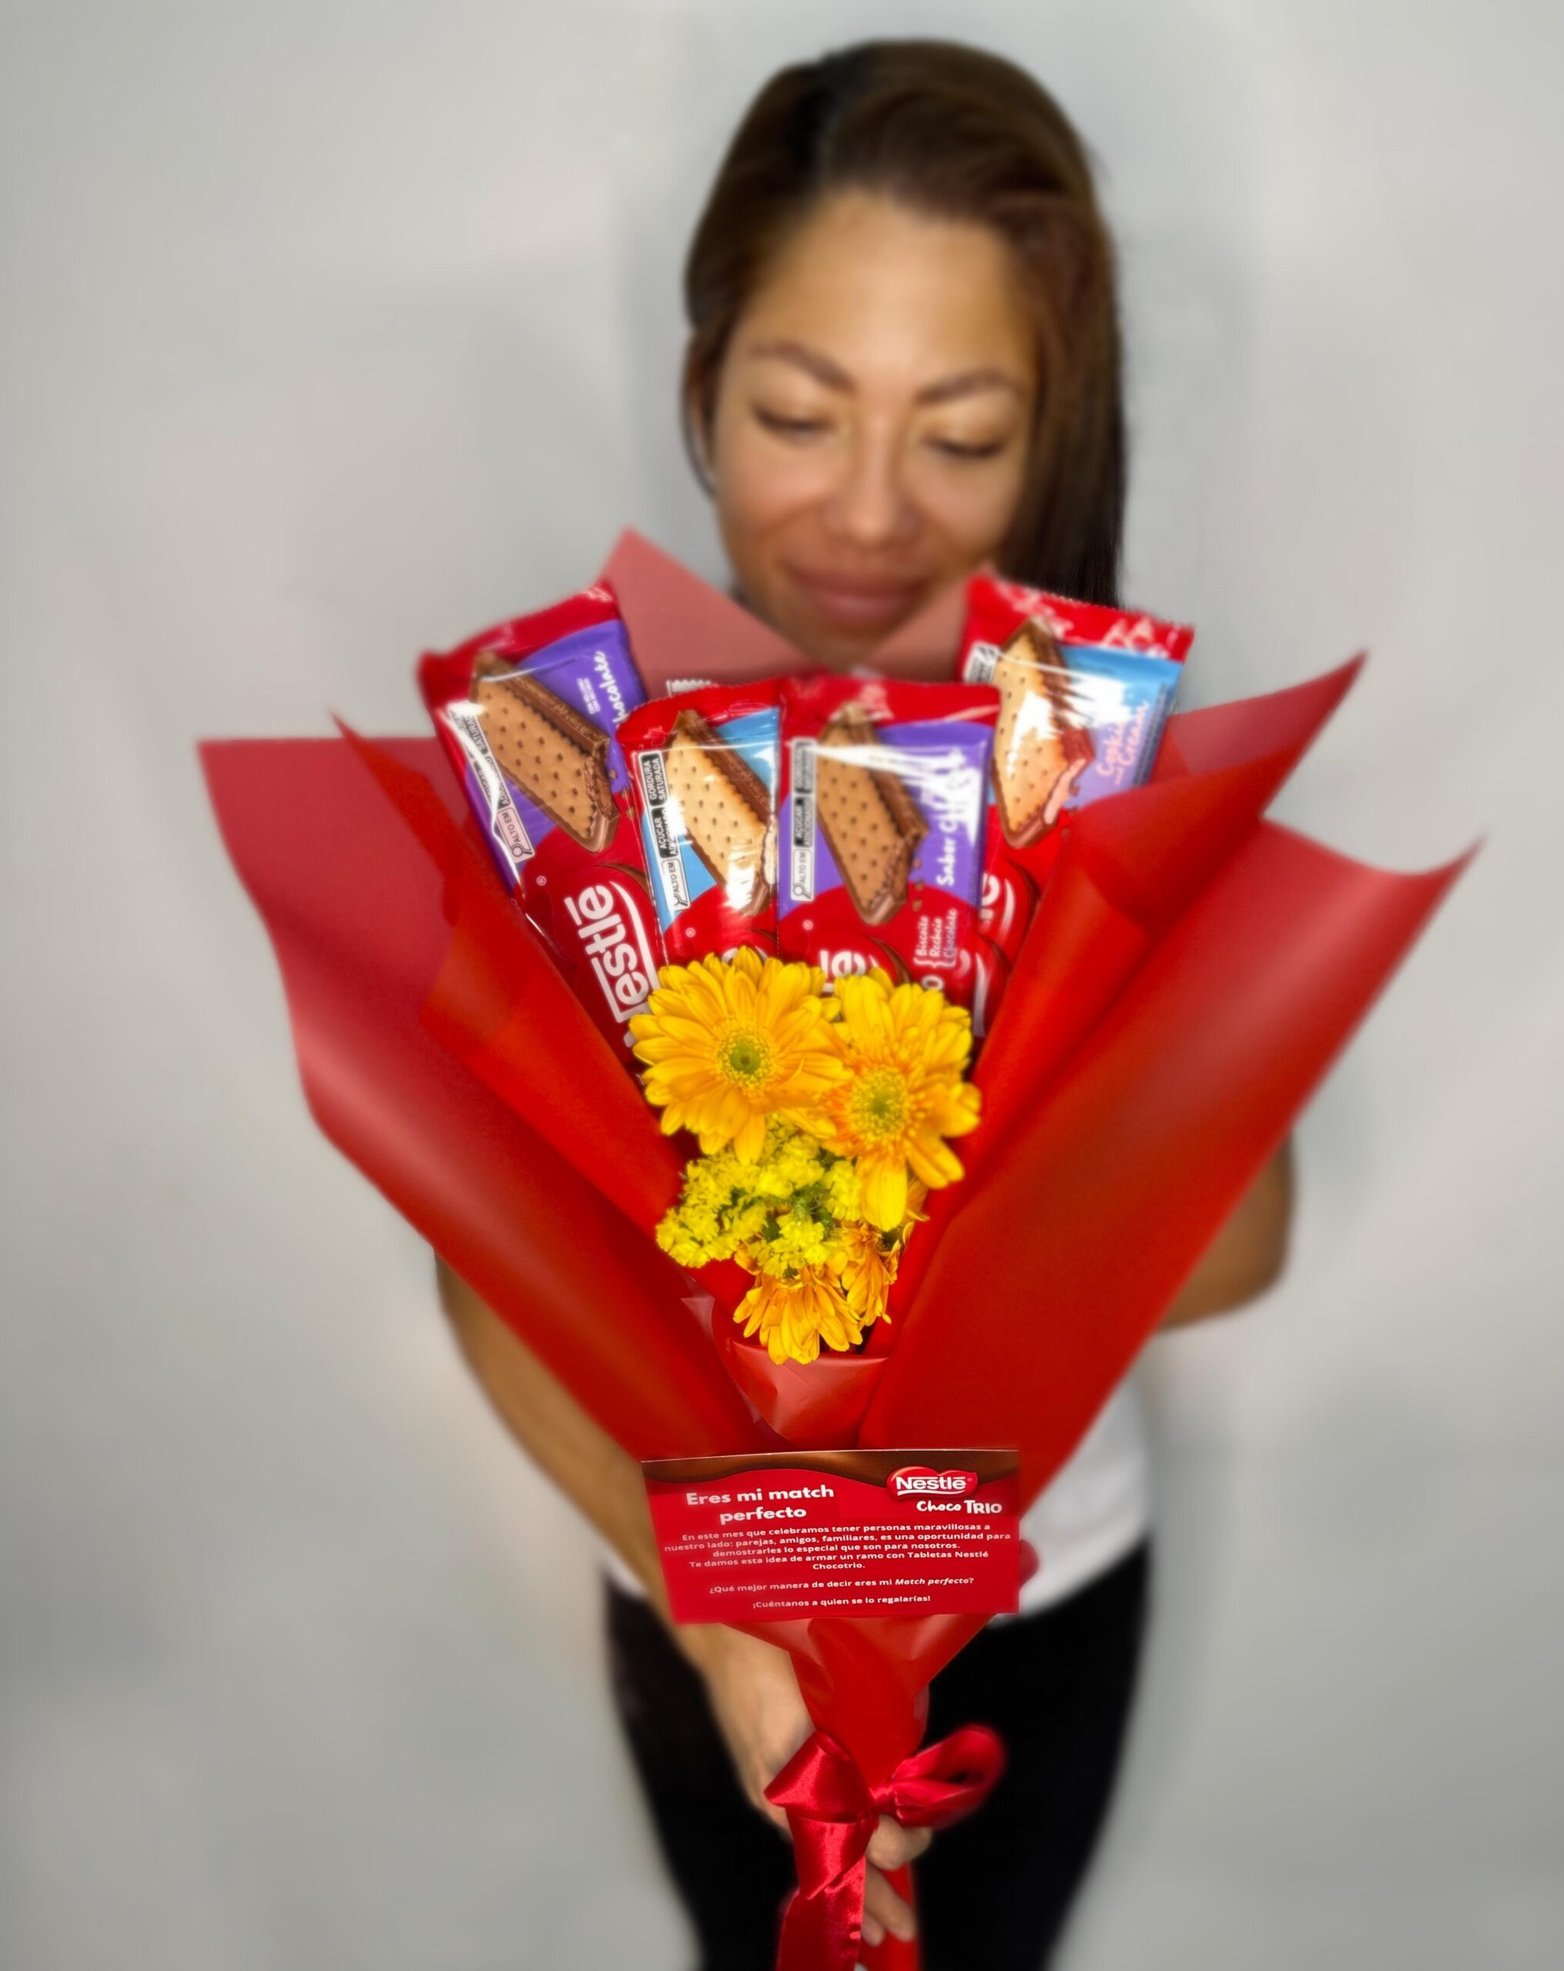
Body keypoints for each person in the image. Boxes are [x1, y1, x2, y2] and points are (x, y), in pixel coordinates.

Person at [436, 39, 1294, 1971]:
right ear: (701, 387)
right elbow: (483, 1261)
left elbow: (1249, 1245)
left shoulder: (1101, 764)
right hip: (694, 1608)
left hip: (1040, 1598)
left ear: (1057, 434)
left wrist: (985, 1135)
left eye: (963, 437)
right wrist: (721, 1605)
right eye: (799, 414)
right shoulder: (585, 764)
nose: (870, 513)